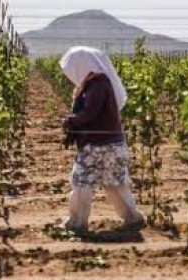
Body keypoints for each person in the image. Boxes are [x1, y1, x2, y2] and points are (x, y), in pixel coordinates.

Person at [59, 46, 146, 233]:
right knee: (114, 183)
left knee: (82, 181)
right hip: (109, 144)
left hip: (98, 145)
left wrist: (71, 121)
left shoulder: (98, 85)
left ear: (83, 65)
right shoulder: (96, 83)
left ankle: (77, 223)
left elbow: (90, 113)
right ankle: (132, 218)